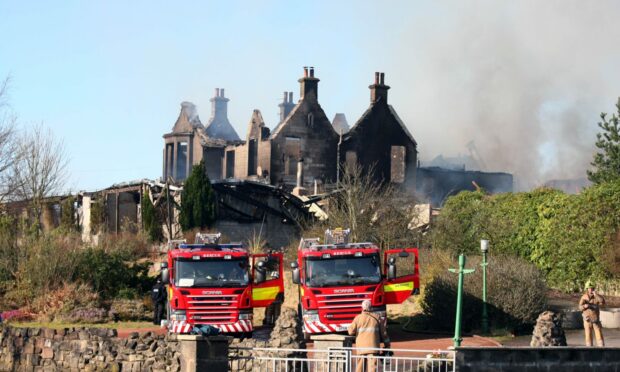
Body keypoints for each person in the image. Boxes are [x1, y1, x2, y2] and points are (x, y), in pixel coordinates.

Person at [348, 300, 391, 372]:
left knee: (360, 369)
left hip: (361, 348)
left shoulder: (358, 318)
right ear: (371, 308)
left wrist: (349, 327)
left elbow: (350, 332)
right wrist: (387, 345)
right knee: (372, 368)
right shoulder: (377, 318)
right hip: (373, 348)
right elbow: (384, 334)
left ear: (362, 308)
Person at [579, 280, 605, 346]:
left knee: (599, 334)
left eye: (592, 288)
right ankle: (589, 349)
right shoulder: (584, 297)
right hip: (587, 319)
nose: (591, 289)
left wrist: (596, 295)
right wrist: (584, 306)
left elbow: (602, 302)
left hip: (596, 319)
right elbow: (579, 307)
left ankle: (602, 348)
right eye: (590, 288)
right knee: (588, 335)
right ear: (587, 289)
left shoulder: (597, 296)